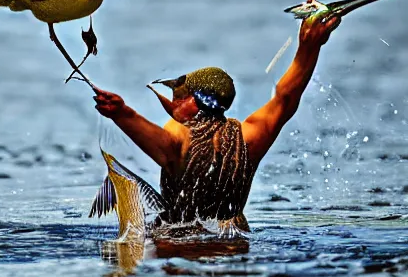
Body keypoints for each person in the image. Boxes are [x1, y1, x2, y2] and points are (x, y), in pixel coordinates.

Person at [91, 14, 342, 232]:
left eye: (179, 96)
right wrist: (310, 46)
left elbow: (154, 137)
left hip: (177, 248)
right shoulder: (249, 137)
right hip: (232, 245)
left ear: (193, 102)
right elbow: (286, 98)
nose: (173, 101)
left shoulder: (179, 137)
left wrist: (121, 113)